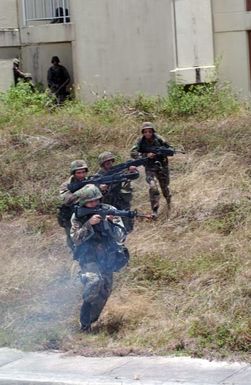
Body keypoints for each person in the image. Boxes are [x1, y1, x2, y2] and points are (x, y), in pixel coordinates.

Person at [70, 184, 129, 332]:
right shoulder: (78, 215)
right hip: (88, 256)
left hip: (107, 257)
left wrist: (110, 222)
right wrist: (89, 224)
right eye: (90, 202)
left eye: (97, 200)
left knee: (105, 290)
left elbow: (121, 237)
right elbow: (76, 239)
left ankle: (91, 321)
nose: (95, 204)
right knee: (94, 281)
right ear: (83, 203)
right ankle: (84, 324)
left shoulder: (110, 210)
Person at [130, 122, 172, 217]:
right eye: (145, 132)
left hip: (162, 166)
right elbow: (133, 152)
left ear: (153, 131)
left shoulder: (159, 139)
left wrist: (162, 152)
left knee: (165, 188)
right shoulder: (140, 141)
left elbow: (170, 149)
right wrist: (145, 155)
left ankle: (169, 204)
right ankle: (155, 210)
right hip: (149, 167)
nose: (147, 133)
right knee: (153, 187)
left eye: (149, 131)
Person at [95, 151, 138, 233]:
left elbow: (133, 176)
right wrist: (100, 187)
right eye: (106, 161)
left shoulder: (117, 170)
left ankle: (128, 233)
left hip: (121, 199)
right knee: (112, 223)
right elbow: (92, 186)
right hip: (108, 202)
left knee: (127, 220)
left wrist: (132, 171)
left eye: (110, 160)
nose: (109, 163)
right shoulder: (98, 175)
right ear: (102, 163)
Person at [58, 160, 89, 253]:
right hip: (70, 216)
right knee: (74, 241)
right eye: (79, 173)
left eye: (83, 172)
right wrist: (84, 191)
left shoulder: (90, 181)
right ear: (73, 173)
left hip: (87, 213)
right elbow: (67, 200)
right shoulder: (66, 185)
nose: (82, 175)